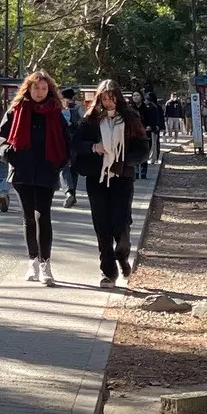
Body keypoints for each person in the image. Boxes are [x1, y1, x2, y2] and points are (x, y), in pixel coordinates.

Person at [0, 71, 70, 286]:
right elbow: (1, 137)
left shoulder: (56, 113)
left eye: (44, 88)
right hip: (22, 170)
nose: (40, 92)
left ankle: (45, 263)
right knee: (28, 216)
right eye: (36, 88)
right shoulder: (16, 110)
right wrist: (8, 153)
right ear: (28, 88)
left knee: (43, 216)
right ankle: (32, 260)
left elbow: (67, 139)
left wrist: (60, 162)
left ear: (50, 90)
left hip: (47, 170)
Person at [72, 81, 144, 287]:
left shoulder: (130, 118)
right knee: (102, 225)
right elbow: (76, 144)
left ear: (118, 98)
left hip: (122, 177)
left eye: (111, 97)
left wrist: (124, 160)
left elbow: (142, 148)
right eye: (104, 98)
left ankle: (122, 255)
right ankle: (108, 270)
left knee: (121, 222)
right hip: (97, 177)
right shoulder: (90, 120)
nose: (108, 102)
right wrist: (94, 147)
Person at [59, 87, 85, 208]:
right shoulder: (78, 109)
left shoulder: (59, 109)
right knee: (73, 169)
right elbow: (84, 122)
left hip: (62, 142)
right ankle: (72, 194)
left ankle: (68, 192)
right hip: (75, 142)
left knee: (63, 167)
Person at [137, 90, 164, 177]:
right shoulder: (154, 106)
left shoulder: (152, 107)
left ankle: (151, 159)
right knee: (154, 144)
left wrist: (155, 126)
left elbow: (156, 118)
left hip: (150, 129)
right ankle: (152, 158)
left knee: (152, 144)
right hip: (148, 129)